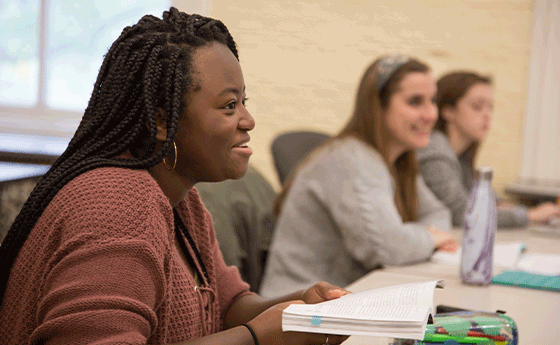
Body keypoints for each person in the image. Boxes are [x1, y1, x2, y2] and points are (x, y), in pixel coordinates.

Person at [0, 8, 350, 345]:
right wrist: (258, 337)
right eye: (229, 105)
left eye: (245, 101)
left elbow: (229, 306)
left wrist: (301, 307)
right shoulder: (118, 205)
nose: (248, 120)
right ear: (163, 121)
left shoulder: (183, 203)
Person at [259, 55, 459, 299]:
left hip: (348, 297)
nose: (430, 115)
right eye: (415, 102)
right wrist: (429, 237)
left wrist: (419, 238)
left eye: (433, 101)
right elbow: (386, 247)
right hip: (298, 307)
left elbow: (439, 214)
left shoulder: (398, 160)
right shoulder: (351, 159)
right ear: (377, 105)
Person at [417, 71, 560, 228]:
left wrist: (507, 208)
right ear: (448, 111)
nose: (487, 115)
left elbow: (487, 201)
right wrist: (530, 215)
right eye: (477, 107)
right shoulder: (434, 150)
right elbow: (461, 213)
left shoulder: (461, 156)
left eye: (490, 107)